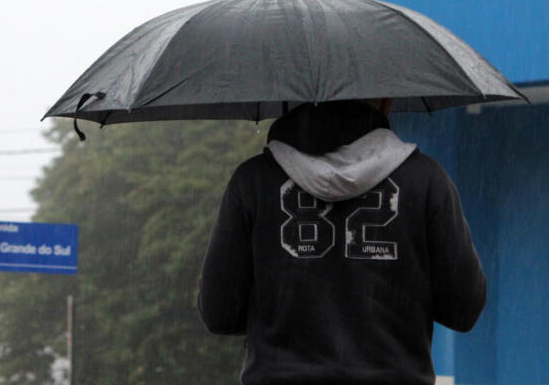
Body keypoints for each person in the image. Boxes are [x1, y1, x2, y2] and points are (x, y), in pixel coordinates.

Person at [197, 99, 486, 385]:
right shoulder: (426, 180)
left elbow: (220, 314)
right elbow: (463, 309)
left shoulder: (253, 181)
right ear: (386, 100)